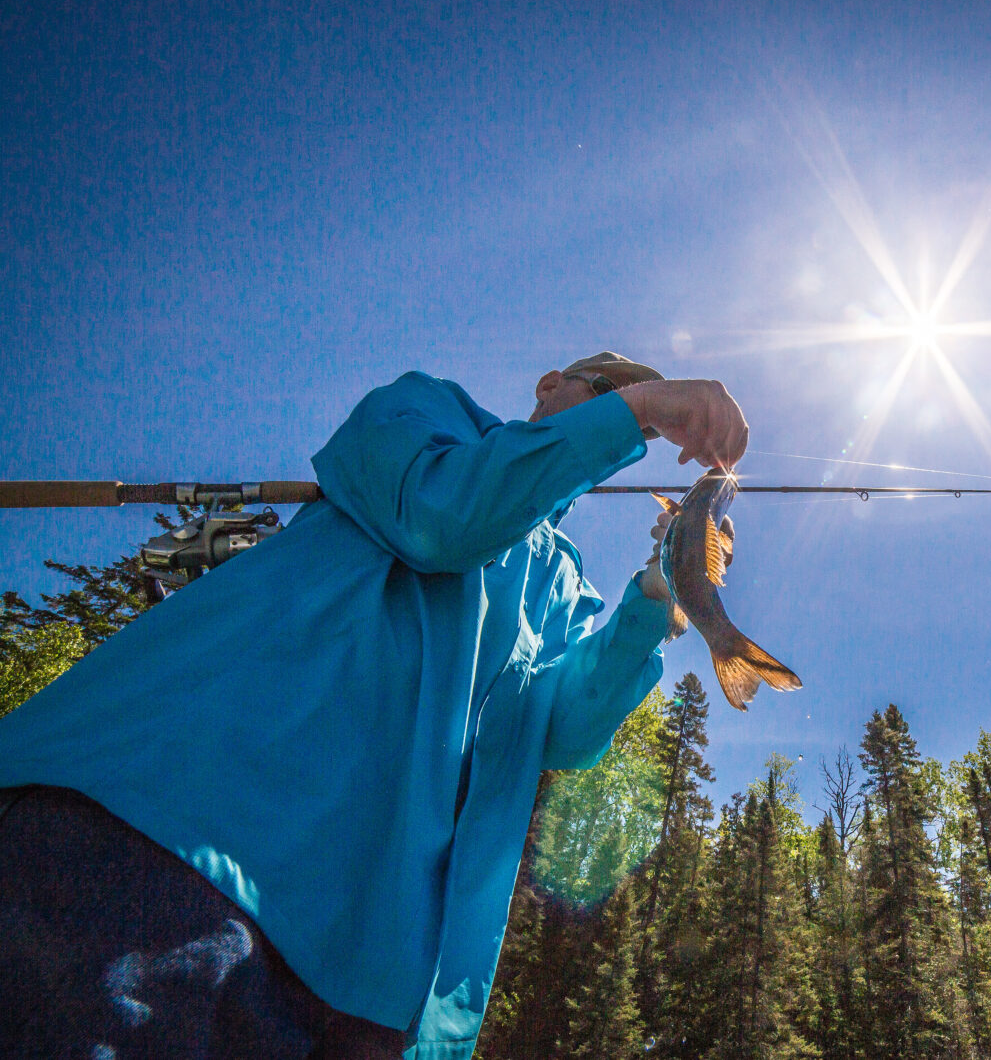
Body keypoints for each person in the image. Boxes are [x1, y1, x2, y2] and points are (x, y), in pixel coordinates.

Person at [0, 353, 747, 1059]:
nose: (630, 428)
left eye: (639, 428)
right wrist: (641, 406)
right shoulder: (430, 413)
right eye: (609, 394)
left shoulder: (563, 579)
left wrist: (658, 590)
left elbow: (567, 728)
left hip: (371, 981)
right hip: (175, 837)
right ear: (551, 384)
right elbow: (447, 516)